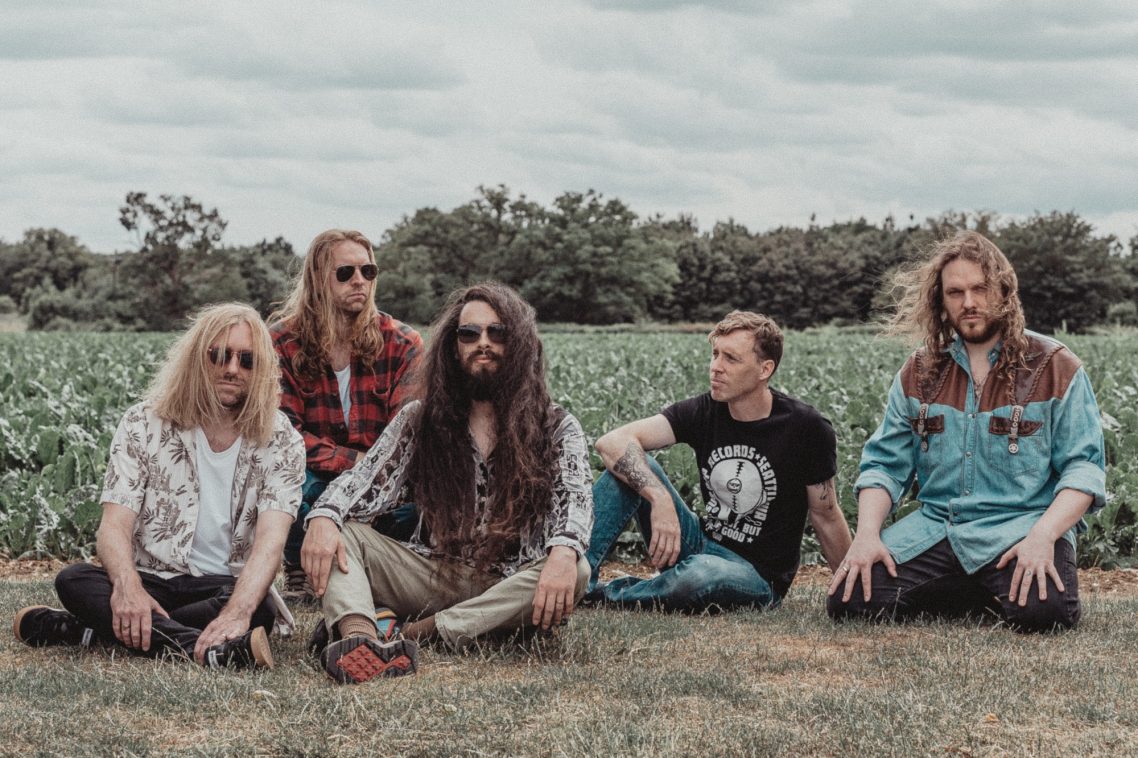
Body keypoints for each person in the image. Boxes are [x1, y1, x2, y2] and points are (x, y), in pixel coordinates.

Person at [301, 282, 593, 684]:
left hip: (510, 581)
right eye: (469, 334)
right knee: (342, 533)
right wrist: (325, 517)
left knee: (577, 569)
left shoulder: (556, 425)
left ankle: (412, 634)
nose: (482, 343)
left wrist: (563, 552)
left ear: (520, 342)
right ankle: (360, 638)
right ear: (453, 347)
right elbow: (362, 483)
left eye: (498, 332)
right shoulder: (420, 419)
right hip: (433, 572)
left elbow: (575, 498)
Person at [827, 231, 1106, 631]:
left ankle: (989, 584)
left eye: (980, 289)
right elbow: (885, 466)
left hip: (1023, 527)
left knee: (1046, 613)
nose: (970, 302)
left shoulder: (1054, 366)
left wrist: (1045, 536)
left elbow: (1084, 469)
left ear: (1004, 291)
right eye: (956, 292)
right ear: (940, 299)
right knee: (848, 601)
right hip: (939, 529)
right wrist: (867, 535)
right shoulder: (919, 371)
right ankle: (980, 588)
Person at [13, 303, 305, 668]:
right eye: (219, 355)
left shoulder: (282, 440)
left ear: (262, 369)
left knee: (257, 607)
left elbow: (270, 545)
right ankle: (209, 651)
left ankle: (91, 631)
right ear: (197, 357)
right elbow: (114, 527)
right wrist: (128, 587)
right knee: (74, 580)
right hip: (151, 577)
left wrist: (237, 612)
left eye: (247, 360)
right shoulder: (142, 423)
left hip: (220, 586)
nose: (232, 369)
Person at [586, 311, 851, 612]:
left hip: (756, 576)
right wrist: (658, 497)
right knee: (627, 468)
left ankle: (603, 597)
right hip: (700, 543)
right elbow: (611, 442)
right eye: (715, 355)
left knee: (700, 575)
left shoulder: (806, 427)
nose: (716, 367)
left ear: (765, 369)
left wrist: (850, 589)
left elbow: (826, 514)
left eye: (731, 359)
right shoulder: (705, 410)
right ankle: (575, 580)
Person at [269, 229, 422, 603]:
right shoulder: (281, 342)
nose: (360, 281)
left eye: (368, 272)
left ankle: (376, 567)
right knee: (284, 479)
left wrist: (368, 474)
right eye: (346, 273)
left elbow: (407, 436)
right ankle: (300, 572)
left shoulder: (402, 343)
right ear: (318, 280)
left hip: (382, 480)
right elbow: (282, 433)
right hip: (312, 473)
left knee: (419, 505)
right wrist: (352, 461)